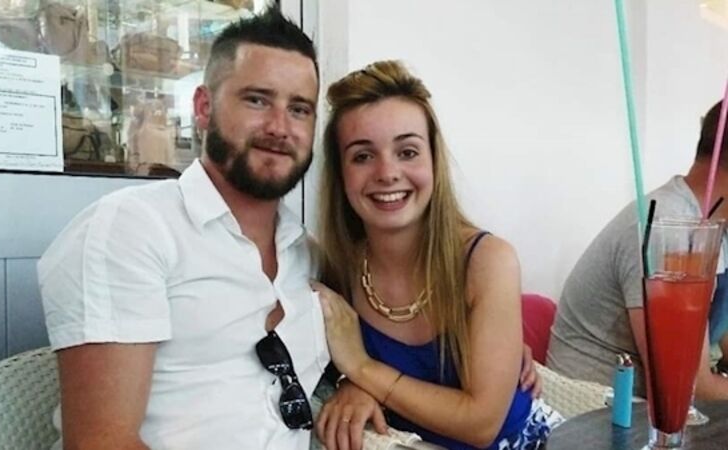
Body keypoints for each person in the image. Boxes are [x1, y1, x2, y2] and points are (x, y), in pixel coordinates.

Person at [38, 9, 329, 449]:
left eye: (299, 109)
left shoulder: (305, 252)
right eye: (257, 100)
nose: (279, 127)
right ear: (203, 107)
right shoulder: (132, 230)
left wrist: (356, 387)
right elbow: (101, 442)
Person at [311, 60, 551, 450]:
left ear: (434, 161)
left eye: (407, 151)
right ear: (340, 175)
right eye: (362, 156)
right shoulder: (336, 268)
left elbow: (481, 424)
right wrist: (348, 382)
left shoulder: (487, 261)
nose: (387, 173)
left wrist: (363, 369)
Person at [547, 101, 728, 400]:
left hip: (657, 409)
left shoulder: (716, 230)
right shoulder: (668, 228)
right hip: (596, 408)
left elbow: (720, 340)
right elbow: (692, 387)